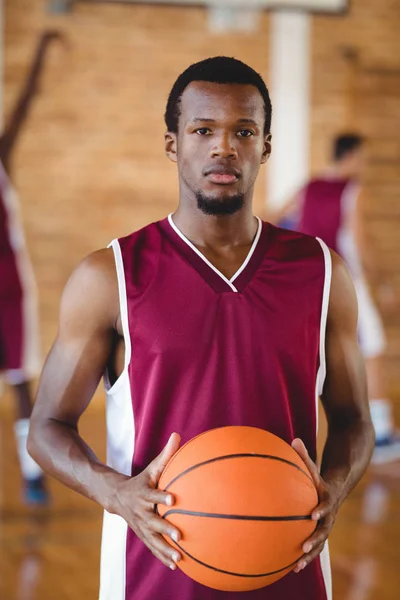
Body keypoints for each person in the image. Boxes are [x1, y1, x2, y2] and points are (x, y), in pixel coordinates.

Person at [28, 57, 375, 600]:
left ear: (265, 146)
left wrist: (334, 487)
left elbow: (355, 421)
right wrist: (117, 494)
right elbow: (47, 426)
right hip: (152, 575)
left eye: (244, 131)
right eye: (203, 129)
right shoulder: (110, 276)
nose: (224, 147)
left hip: (291, 569)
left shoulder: (323, 271)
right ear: (173, 144)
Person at [271, 134, 400, 465]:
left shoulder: (309, 187)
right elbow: (361, 242)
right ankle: (383, 434)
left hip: (310, 280)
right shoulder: (352, 190)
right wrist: (382, 283)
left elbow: (270, 217)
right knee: (372, 348)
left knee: (308, 353)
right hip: (346, 280)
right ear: (351, 156)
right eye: (363, 158)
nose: (364, 165)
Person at [0, 31, 62, 504]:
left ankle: (32, 476)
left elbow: (23, 102)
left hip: (8, 289)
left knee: (21, 381)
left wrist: (40, 51)